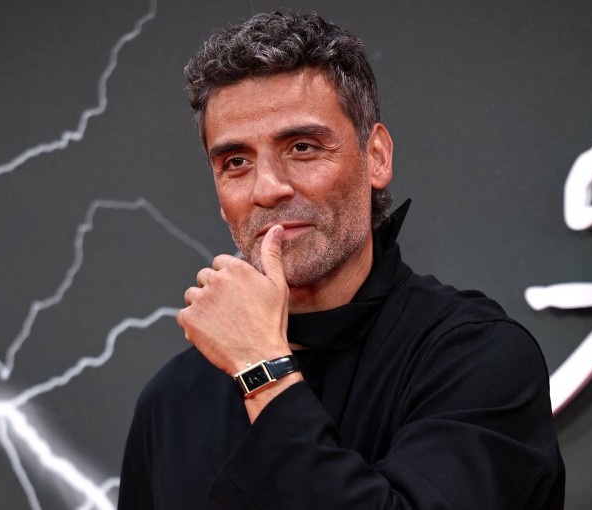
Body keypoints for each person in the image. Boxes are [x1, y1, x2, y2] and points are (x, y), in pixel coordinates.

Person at [118, 11, 565, 509]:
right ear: (221, 196)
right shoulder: (172, 401)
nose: (268, 189)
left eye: (303, 147)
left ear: (375, 157)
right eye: (236, 163)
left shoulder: (478, 358)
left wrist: (262, 371)